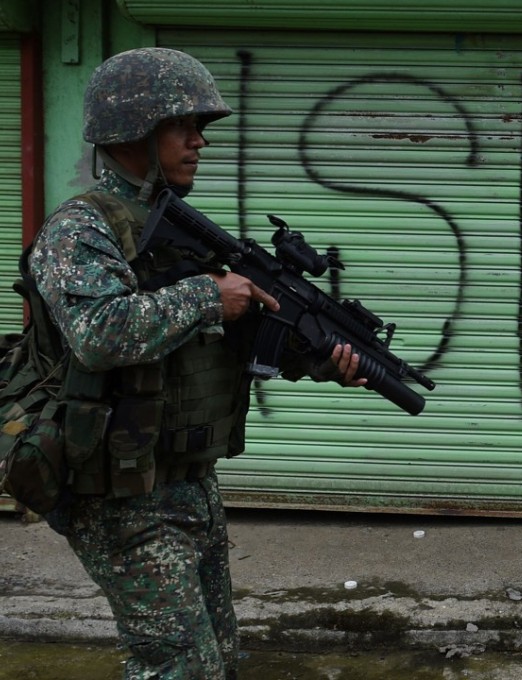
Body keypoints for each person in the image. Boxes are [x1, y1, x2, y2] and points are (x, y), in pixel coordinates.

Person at [27, 47, 366, 679]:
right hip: (120, 494)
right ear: (131, 130)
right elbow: (98, 334)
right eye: (181, 127)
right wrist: (208, 294)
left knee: (214, 663)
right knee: (178, 668)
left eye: (200, 129)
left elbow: (217, 341)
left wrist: (320, 357)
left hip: (187, 483)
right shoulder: (80, 230)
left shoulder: (177, 229)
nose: (198, 143)